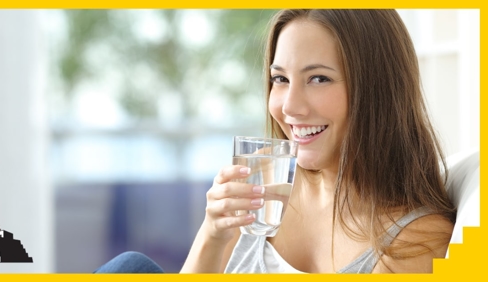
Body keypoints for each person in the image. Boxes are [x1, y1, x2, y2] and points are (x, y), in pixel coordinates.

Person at [94, 9, 456, 274]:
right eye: (280, 79)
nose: (289, 107)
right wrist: (213, 232)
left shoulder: (414, 239)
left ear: (377, 91)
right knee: (130, 266)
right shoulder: (264, 183)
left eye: (318, 79)